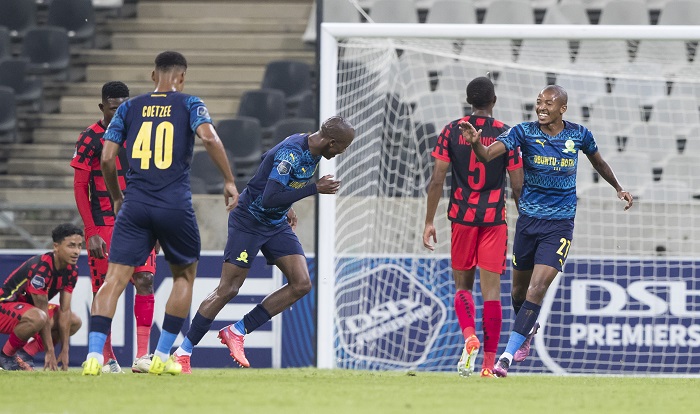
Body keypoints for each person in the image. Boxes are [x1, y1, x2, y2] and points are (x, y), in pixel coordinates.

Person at [81, 51, 238, 376]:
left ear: (154, 76)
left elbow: (108, 159)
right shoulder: (189, 103)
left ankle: (95, 356)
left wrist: (117, 198)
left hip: (134, 204)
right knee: (183, 276)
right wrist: (229, 180)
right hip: (174, 205)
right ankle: (162, 354)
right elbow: (208, 137)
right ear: (181, 77)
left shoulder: (128, 107)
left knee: (114, 279)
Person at [460, 85, 634, 377]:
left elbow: (599, 162)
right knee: (518, 291)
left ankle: (506, 357)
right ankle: (527, 331)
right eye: (538, 102)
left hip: (560, 224)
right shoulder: (523, 132)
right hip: (528, 222)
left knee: (537, 288)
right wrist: (476, 144)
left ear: (562, 108)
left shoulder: (579, 135)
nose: (541, 107)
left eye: (548, 103)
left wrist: (618, 187)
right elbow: (489, 155)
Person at [172, 116, 355, 373]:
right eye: (341, 148)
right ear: (332, 142)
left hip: (275, 223)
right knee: (228, 289)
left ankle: (237, 331)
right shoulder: (292, 153)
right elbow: (269, 197)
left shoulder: (312, 148)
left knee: (301, 283)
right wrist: (314, 188)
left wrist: (287, 205)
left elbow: (266, 160)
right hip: (249, 222)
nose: (339, 153)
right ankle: (182, 352)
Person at [423, 76, 523, 378]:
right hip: (494, 220)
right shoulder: (507, 134)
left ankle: (469, 335)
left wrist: (429, 221)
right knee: (492, 293)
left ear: (469, 101)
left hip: (462, 219)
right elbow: (518, 186)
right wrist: (527, 221)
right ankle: (488, 364)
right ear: (494, 101)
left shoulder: (452, 131)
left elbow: (437, 179)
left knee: (462, 286)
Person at [71, 81, 157, 374]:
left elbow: (151, 180)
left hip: (140, 221)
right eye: (112, 107)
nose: (119, 111)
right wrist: (91, 230)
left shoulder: (140, 135)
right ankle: (106, 357)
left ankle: (142, 357)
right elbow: (81, 186)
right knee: (104, 290)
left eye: (123, 106)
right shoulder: (90, 138)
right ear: (101, 107)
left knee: (145, 281)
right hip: (105, 223)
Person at [0, 223, 84, 371]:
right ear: (56, 247)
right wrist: (49, 351)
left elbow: (65, 311)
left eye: (79, 246)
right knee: (39, 316)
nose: (76, 251)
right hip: (4, 307)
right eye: (71, 246)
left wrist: (65, 351)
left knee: (73, 321)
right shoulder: (42, 268)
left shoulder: (72, 271)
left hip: (29, 311)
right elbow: (42, 310)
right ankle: (5, 356)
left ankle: (25, 354)